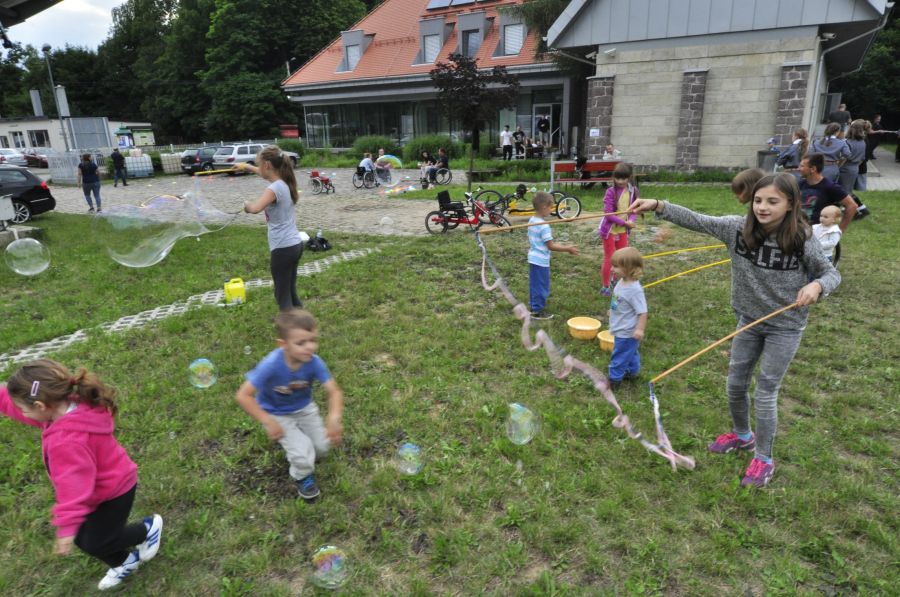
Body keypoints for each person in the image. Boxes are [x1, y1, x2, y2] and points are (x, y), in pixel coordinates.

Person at [630, 173, 840, 487]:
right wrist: (660, 205)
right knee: (735, 384)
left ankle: (764, 458)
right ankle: (743, 436)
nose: (763, 207)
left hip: (785, 326)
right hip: (748, 320)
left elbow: (830, 273)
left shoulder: (802, 238)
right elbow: (699, 220)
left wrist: (817, 285)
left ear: (790, 204)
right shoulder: (737, 229)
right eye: (758, 200)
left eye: (772, 201)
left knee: (765, 392)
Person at [1, 359, 163, 590]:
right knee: (85, 537)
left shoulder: (66, 442)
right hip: (103, 484)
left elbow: (74, 488)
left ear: (40, 406)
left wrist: (66, 527)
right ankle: (125, 561)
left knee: (96, 541)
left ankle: (147, 529)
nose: (21, 413)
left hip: (114, 490)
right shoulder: (72, 406)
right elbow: (14, 403)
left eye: (23, 408)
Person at [235, 309, 344, 501]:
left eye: (312, 340)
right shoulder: (271, 365)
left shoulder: (314, 362)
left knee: (322, 447)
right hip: (276, 413)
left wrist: (334, 418)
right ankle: (302, 477)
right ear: (283, 344)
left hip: (304, 408)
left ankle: (299, 446)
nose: (309, 347)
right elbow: (243, 395)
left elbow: (334, 391)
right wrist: (268, 421)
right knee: (302, 455)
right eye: (301, 343)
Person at [238, 145, 304, 311]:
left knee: (282, 296)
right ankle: (303, 321)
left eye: (259, 164)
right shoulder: (284, 182)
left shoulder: (273, 188)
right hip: (294, 245)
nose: (258, 167)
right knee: (290, 292)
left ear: (267, 165)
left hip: (282, 248)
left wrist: (246, 205)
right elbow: (263, 173)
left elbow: (255, 208)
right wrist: (246, 167)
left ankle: (290, 326)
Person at [527, 191, 579, 319]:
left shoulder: (532, 220)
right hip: (540, 261)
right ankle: (537, 311)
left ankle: (534, 306)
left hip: (533, 258)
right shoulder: (544, 226)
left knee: (535, 285)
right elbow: (551, 246)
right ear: (544, 207)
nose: (551, 210)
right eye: (551, 207)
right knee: (541, 286)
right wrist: (568, 249)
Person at [606, 247, 648, 389]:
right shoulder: (622, 281)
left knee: (619, 355)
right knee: (630, 351)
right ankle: (632, 371)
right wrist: (613, 309)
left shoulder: (634, 290)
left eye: (616, 266)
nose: (612, 269)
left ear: (629, 268)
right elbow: (618, 298)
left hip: (627, 331)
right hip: (621, 325)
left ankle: (614, 380)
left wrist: (640, 329)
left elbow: (642, 312)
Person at [598, 162, 639, 296]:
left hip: (622, 230)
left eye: (624, 178)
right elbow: (608, 214)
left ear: (629, 177)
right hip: (609, 230)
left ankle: (615, 280)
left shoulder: (633, 191)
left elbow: (635, 209)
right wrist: (624, 222)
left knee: (621, 258)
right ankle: (605, 286)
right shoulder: (611, 192)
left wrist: (631, 220)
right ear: (614, 177)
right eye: (618, 178)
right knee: (610, 258)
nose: (620, 181)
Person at [798, 154, 858, 227]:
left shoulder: (830, 187)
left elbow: (852, 206)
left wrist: (841, 229)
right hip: (801, 229)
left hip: (820, 231)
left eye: (802, 166)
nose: (798, 168)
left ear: (813, 169)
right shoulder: (800, 184)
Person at [838, 120, 867, 194]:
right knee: (848, 190)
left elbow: (843, 158)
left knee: (841, 191)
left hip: (844, 168)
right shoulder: (863, 142)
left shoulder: (847, 142)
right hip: (855, 168)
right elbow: (862, 159)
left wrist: (837, 167)